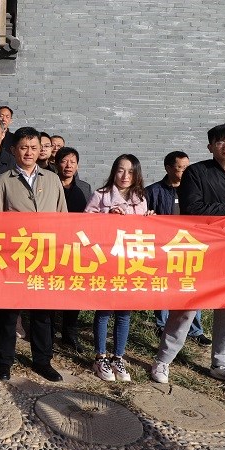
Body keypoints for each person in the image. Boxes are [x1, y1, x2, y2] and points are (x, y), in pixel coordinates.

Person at [151, 124, 225, 386]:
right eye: (221, 142)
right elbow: (192, 209)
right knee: (186, 308)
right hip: (201, 251)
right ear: (210, 146)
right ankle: (163, 360)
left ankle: (220, 363)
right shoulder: (196, 173)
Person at [0, 127, 67, 382]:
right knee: (8, 313)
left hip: (45, 255)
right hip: (15, 256)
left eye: (34, 148)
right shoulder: (3, 180)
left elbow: (63, 217)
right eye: (24, 147)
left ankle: (42, 361)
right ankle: (4, 362)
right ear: (14, 150)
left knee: (42, 313)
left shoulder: (52, 179)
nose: (29, 152)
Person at [85, 154, 150, 382]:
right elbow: (85, 225)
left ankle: (118, 357)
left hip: (130, 263)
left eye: (130, 171)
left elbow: (142, 233)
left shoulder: (140, 199)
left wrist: (150, 221)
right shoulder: (100, 195)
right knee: (103, 311)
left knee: (124, 312)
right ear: (114, 171)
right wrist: (107, 216)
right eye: (121, 170)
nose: (125, 176)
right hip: (106, 262)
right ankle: (100, 356)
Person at [147, 151, 211, 345]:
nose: (185, 171)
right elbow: (143, 218)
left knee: (190, 285)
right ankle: (162, 324)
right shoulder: (153, 191)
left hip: (189, 245)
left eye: (187, 167)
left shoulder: (196, 190)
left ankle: (195, 330)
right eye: (180, 168)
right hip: (163, 247)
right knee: (163, 285)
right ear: (168, 168)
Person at [53, 146, 93, 352]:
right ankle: (49, 332)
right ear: (56, 163)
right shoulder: (49, 184)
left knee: (74, 290)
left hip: (76, 246)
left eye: (73, 162)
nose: (68, 166)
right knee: (51, 289)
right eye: (64, 161)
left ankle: (69, 333)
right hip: (52, 245)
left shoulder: (85, 188)